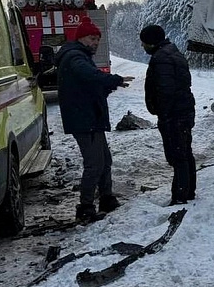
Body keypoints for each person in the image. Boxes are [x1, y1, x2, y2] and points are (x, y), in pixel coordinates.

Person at [55, 17, 134, 222]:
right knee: (95, 164)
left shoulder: (79, 55)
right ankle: (86, 206)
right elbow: (90, 76)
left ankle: (106, 198)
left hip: (90, 117)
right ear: (81, 38)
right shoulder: (74, 57)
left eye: (98, 39)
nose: (96, 43)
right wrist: (113, 79)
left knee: (104, 160)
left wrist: (109, 86)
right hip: (84, 119)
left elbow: (89, 86)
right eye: (92, 38)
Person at [140, 24, 197, 205]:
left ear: (151, 42)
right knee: (185, 152)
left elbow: (165, 90)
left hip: (174, 114)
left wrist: (163, 114)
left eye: (144, 43)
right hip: (184, 111)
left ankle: (180, 196)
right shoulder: (173, 52)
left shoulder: (161, 58)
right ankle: (189, 191)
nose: (142, 46)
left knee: (178, 155)